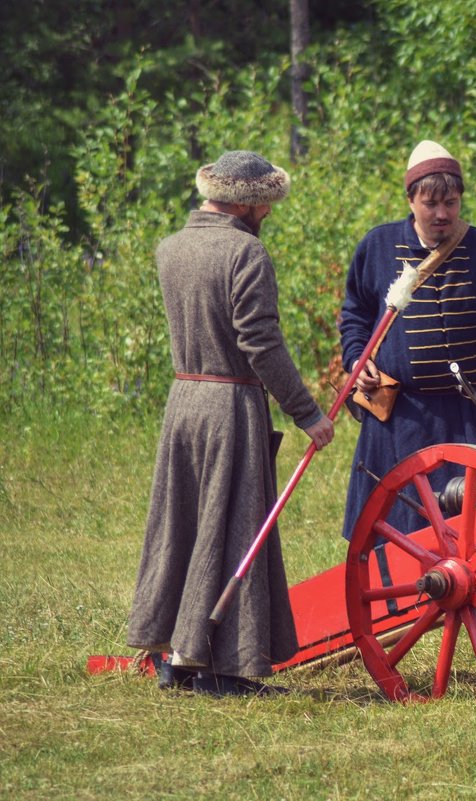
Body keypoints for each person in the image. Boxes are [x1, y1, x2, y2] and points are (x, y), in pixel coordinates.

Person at [127, 151, 334, 697]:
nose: (268, 214)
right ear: (247, 203)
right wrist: (306, 412)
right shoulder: (246, 253)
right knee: (232, 529)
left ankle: (175, 654)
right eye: (265, 205)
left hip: (183, 402)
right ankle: (220, 668)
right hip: (229, 407)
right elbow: (260, 343)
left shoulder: (170, 248)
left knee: (185, 529)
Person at [338, 140, 476, 541]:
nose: (443, 213)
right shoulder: (376, 248)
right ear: (411, 199)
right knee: (397, 528)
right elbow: (355, 315)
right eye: (431, 204)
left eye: (451, 202)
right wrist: (357, 359)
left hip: (469, 416)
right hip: (400, 419)